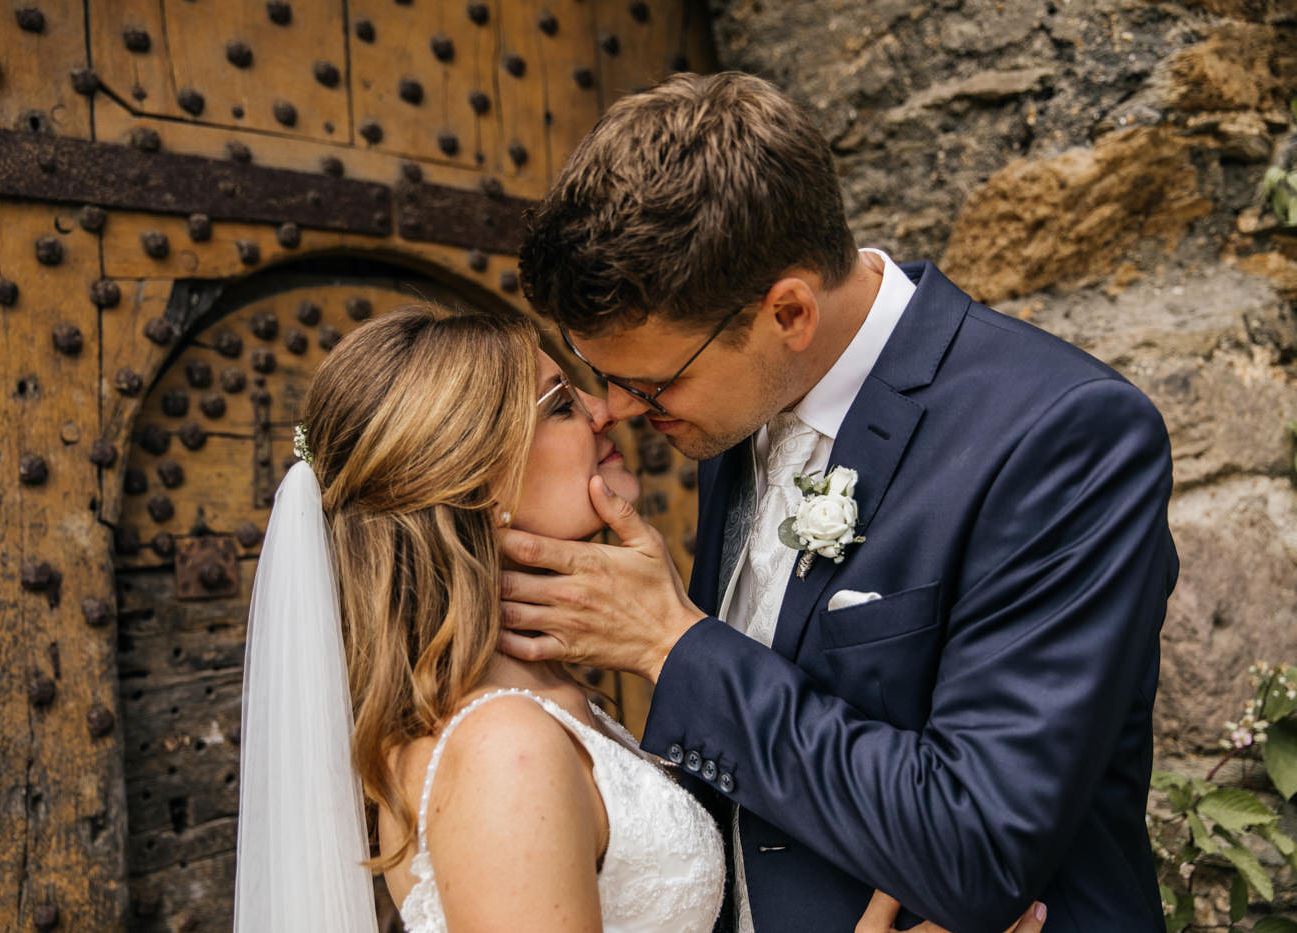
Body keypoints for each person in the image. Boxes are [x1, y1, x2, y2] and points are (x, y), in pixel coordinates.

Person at [502, 72, 1179, 933]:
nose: (621, 410)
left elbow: (978, 846)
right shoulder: (731, 416)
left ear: (788, 312)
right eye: (602, 376)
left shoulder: (1063, 436)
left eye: (652, 380)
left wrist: (672, 645)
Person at [231, 302, 1046, 933]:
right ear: (477, 480)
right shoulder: (500, 751)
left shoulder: (546, 700)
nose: (601, 411)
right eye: (557, 404)